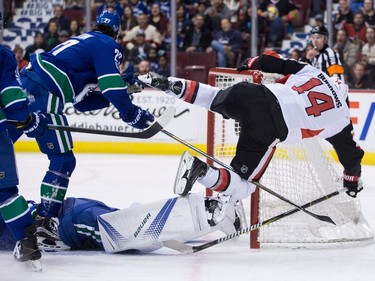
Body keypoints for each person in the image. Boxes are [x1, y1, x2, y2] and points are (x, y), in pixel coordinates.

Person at [138, 50, 364, 217]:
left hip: (252, 93)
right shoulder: (341, 117)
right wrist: (351, 181)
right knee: (245, 183)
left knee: (212, 98)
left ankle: (168, 84)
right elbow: (351, 156)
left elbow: (275, 62)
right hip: (268, 127)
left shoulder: (314, 72)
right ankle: (204, 172)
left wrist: (252, 62)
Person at [12, 11, 154, 244]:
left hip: (26, 85)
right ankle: (46, 223)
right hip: (45, 93)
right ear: (117, 32)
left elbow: (82, 104)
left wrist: (122, 88)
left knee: (3, 145)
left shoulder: (83, 43)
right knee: (63, 160)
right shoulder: (108, 44)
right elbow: (109, 84)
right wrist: (131, 112)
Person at [0, 192, 245, 253]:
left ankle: (213, 211)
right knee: (141, 234)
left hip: (69, 222)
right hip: (72, 214)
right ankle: (213, 219)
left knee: (131, 233)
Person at [0, 44, 49, 267]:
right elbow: (11, 96)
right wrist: (27, 120)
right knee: (4, 192)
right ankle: (27, 245)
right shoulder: (2, 54)